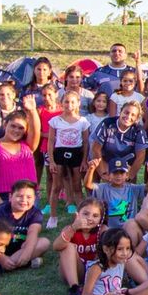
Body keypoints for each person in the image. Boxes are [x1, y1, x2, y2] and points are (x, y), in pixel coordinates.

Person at [0, 95, 42, 209]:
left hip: (28, 197)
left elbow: (36, 130)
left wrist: (32, 111)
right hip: (2, 197)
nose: (16, 130)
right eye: (13, 126)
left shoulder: (27, 146)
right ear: (5, 125)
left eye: (21, 128)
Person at [46, 90, 91, 228]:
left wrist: (84, 160)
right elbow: (51, 141)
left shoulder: (83, 121)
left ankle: (82, 216)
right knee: (56, 186)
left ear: (78, 103)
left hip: (76, 154)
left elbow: (85, 142)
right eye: (66, 101)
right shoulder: (55, 121)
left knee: (77, 187)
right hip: (59, 153)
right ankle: (53, 217)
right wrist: (52, 161)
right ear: (61, 103)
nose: (69, 105)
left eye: (72, 102)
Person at [0, 181, 51, 272]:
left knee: (44, 242)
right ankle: (16, 264)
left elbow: (33, 233)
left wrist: (27, 253)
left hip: (20, 249)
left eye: (29, 197)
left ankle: (3, 266)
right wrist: (2, 258)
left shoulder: (35, 213)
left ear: (34, 199)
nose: (24, 200)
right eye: (19, 196)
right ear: (10, 197)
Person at [88, 99, 148, 189]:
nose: (128, 116)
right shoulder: (107, 123)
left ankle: (127, 200)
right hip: (104, 158)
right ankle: (94, 199)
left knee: (128, 184)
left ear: (137, 119)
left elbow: (141, 156)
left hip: (126, 162)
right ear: (120, 112)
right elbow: (96, 149)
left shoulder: (139, 130)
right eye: (126, 112)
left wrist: (130, 175)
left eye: (133, 115)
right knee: (99, 180)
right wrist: (103, 173)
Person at [53, 197, 104, 295]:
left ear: (100, 219)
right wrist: (73, 228)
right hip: (74, 271)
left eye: (95, 216)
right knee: (68, 246)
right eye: (85, 214)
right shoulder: (70, 229)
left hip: (94, 272)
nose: (90, 218)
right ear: (77, 214)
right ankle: (74, 288)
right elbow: (56, 246)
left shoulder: (103, 230)